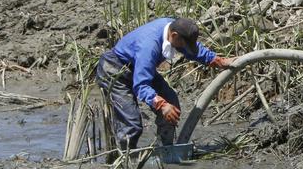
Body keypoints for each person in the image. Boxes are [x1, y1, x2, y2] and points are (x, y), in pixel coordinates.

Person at [96, 17, 233, 154]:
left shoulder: (175, 27)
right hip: (114, 69)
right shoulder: (149, 47)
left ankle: (164, 151)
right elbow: (141, 85)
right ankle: (126, 159)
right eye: (183, 45)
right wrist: (160, 104)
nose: (183, 49)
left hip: (135, 65)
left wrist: (217, 60)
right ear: (174, 36)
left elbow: (193, 49)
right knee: (131, 123)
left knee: (171, 101)